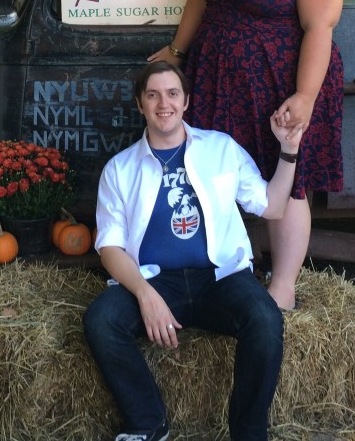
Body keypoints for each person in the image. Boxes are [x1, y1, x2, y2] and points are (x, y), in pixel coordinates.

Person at [148, 0, 344, 311]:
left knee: (285, 178)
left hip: (279, 79)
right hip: (217, 75)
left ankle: (283, 287)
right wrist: (177, 51)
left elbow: (320, 27)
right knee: (210, 171)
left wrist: (304, 95)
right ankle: (220, 271)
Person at [83, 60, 302, 441]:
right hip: (155, 281)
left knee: (266, 320)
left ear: (186, 101)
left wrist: (288, 151)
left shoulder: (221, 149)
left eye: (172, 94)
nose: (163, 103)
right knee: (101, 320)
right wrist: (145, 294)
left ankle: (249, 434)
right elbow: (110, 247)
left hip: (221, 279)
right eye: (153, 95)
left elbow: (272, 206)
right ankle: (147, 423)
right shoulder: (120, 169)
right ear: (140, 104)